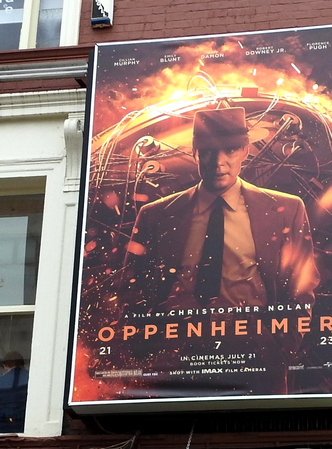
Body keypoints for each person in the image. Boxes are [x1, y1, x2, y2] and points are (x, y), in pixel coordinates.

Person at [127, 107, 320, 311]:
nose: (218, 163)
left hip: (252, 337)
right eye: (208, 151)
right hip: (175, 336)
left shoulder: (287, 209)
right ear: (195, 154)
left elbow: (301, 288)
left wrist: (283, 341)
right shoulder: (154, 215)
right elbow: (132, 290)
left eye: (229, 150)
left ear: (244, 152)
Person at [0, 351, 28, 433]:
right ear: (23, 365)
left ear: (5, 366)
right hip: (24, 427)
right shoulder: (32, 379)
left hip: (0, 428)